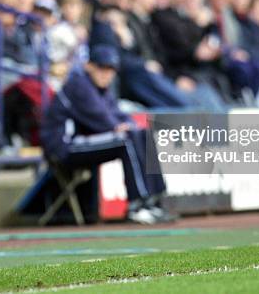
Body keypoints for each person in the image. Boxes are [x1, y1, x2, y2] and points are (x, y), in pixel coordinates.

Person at [40, 44, 173, 225]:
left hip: (82, 141)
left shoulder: (101, 89)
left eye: (111, 69)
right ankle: (136, 205)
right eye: (102, 68)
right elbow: (101, 118)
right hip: (64, 146)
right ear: (89, 66)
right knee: (126, 139)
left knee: (143, 134)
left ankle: (154, 201)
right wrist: (119, 126)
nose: (107, 74)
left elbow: (118, 114)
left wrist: (129, 125)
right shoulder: (79, 84)